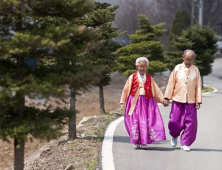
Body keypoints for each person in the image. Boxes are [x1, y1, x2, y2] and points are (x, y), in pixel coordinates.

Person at [120, 57, 166, 149]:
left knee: (145, 121)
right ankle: (136, 141)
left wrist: (162, 99)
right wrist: (123, 101)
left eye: (144, 66)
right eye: (141, 66)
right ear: (137, 66)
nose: (142, 68)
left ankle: (144, 141)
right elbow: (126, 89)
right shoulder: (132, 77)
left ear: (147, 67)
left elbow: (156, 90)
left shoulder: (149, 78)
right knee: (134, 120)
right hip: (134, 101)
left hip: (147, 101)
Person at [164, 49, 202, 152]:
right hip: (178, 98)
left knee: (191, 123)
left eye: (191, 59)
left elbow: (198, 86)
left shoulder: (196, 70)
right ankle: (174, 135)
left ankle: (185, 143)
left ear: (193, 59)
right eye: (186, 59)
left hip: (191, 100)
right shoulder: (177, 68)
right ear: (183, 58)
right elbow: (171, 83)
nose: (188, 61)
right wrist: (167, 97)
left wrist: (198, 100)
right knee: (174, 121)